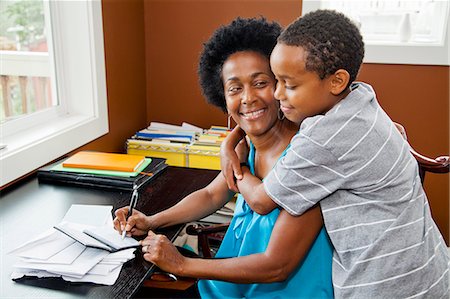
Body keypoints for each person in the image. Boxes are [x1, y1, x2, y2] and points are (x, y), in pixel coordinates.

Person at [220, 10, 449, 298]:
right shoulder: (361, 97)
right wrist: (232, 139)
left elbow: (261, 200)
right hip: (430, 267)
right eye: (275, 81)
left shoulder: (323, 140)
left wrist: (236, 164)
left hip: (386, 284)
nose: (277, 94)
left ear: (337, 81)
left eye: (289, 85)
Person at [113, 17, 334, 298]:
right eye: (235, 88)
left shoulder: (307, 157)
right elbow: (210, 195)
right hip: (228, 289)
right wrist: (152, 220)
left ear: (281, 84)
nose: (248, 98)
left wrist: (182, 264)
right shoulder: (247, 146)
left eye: (260, 82)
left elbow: (278, 267)